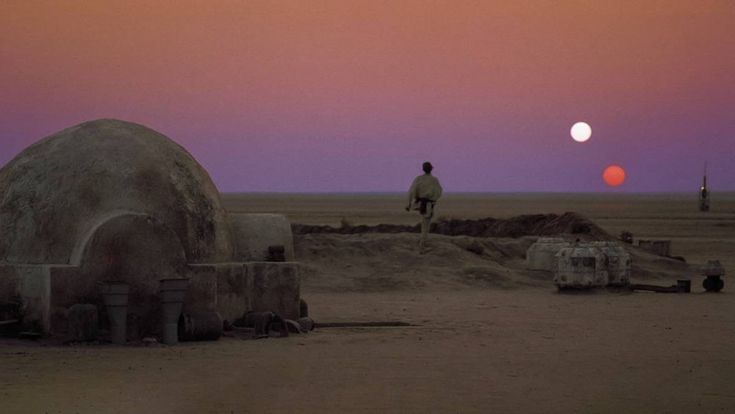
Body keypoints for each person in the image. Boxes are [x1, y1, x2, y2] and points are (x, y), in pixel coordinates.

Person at [405, 161, 443, 253]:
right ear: (431, 169)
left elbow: (411, 191)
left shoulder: (418, 179)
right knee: (425, 225)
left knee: (424, 223)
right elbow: (438, 192)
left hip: (421, 203)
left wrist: (409, 203)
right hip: (428, 204)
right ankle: (422, 247)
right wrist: (432, 200)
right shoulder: (434, 180)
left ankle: (422, 243)